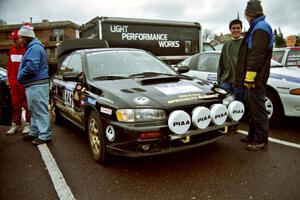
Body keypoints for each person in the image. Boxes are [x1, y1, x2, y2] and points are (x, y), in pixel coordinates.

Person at [235, 0, 273, 150]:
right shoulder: (256, 27)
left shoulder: (260, 28)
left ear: (249, 14)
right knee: (252, 107)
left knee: (258, 109)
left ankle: (261, 140)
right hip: (253, 77)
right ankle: (252, 135)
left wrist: (250, 76)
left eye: (246, 14)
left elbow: (257, 55)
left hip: (256, 78)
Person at [17, 23, 52, 145]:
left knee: (40, 109)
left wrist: (20, 76)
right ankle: (35, 131)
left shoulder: (34, 48)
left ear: (26, 37)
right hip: (34, 84)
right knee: (33, 109)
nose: (19, 40)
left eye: (20, 37)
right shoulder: (33, 47)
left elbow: (32, 67)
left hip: (37, 84)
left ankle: (45, 135)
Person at [6, 30, 30, 135]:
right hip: (14, 83)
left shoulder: (27, 50)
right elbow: (9, 66)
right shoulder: (11, 50)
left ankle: (28, 124)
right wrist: (10, 80)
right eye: (13, 40)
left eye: (16, 39)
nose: (15, 41)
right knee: (15, 104)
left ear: (20, 39)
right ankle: (16, 124)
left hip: (24, 82)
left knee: (26, 104)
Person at [217, 19, 244, 102]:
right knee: (223, 102)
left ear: (241, 29)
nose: (236, 30)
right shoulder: (226, 45)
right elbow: (221, 63)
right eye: (234, 28)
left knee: (238, 105)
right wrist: (219, 80)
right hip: (226, 80)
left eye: (238, 28)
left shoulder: (245, 43)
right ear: (230, 30)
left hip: (240, 81)